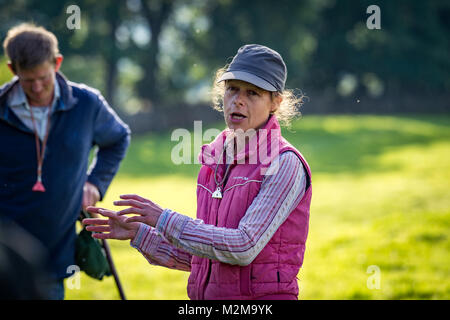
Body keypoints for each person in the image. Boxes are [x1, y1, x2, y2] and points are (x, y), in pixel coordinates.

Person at [84, 44, 312, 300]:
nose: (238, 99)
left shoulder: (285, 163)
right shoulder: (213, 161)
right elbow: (204, 257)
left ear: (275, 103)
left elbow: (243, 247)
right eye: (232, 89)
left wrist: (163, 218)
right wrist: (139, 233)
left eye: (253, 93)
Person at [0, 23, 130, 299]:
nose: (36, 88)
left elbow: (118, 139)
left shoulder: (86, 104)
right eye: (27, 80)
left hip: (53, 259)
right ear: (13, 70)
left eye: (43, 78)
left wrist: (95, 183)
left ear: (57, 63)